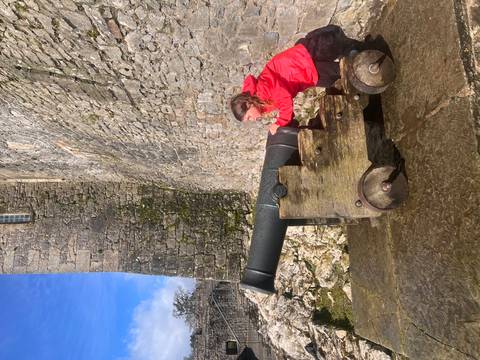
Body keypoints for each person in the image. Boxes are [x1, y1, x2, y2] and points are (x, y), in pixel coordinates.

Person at [230, 25, 362, 134]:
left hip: (303, 61)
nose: (252, 119)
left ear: (248, 104)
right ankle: (357, 61)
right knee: (334, 78)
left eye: (249, 117)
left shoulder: (261, 90)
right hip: (302, 72)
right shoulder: (261, 103)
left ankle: (362, 57)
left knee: (340, 64)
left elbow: (284, 97)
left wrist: (280, 122)